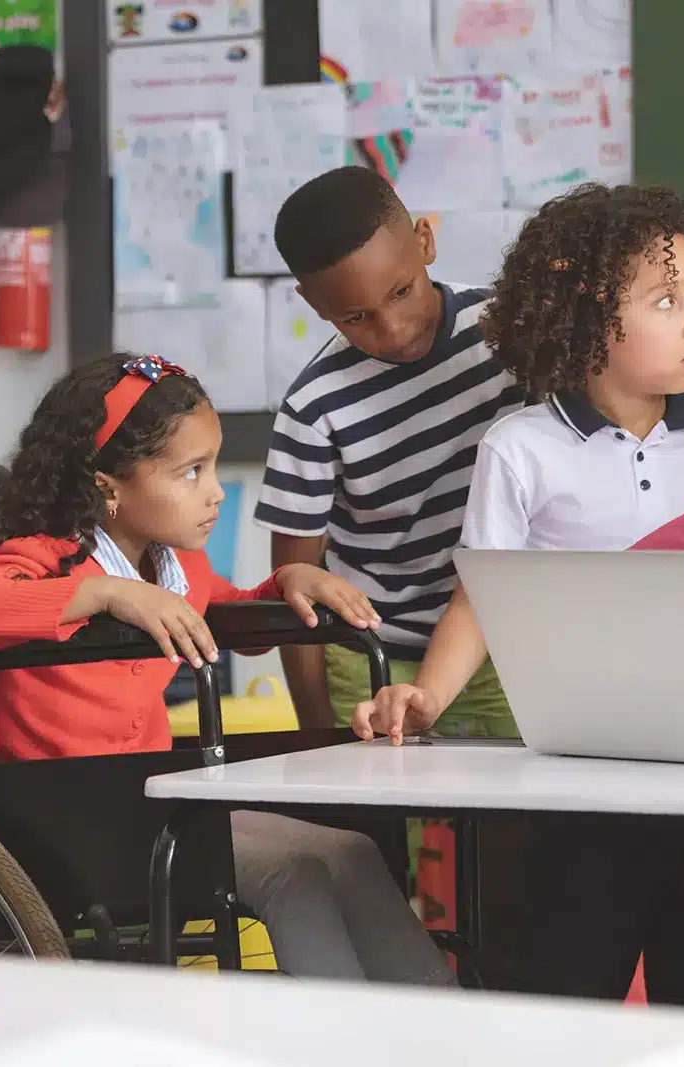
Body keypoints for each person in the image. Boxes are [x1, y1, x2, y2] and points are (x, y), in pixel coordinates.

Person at [353, 182, 684, 1006]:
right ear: (586, 314)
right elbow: (480, 595)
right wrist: (428, 695)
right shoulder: (521, 449)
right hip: (580, 779)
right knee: (567, 994)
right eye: (665, 299)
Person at [0, 355, 455, 987]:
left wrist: (287, 581)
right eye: (190, 472)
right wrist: (104, 596)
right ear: (108, 489)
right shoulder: (49, 558)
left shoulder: (172, 567)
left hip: (150, 801)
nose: (215, 491)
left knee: (351, 850)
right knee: (295, 873)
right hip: (53, 816)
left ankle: (435, 1026)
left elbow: (227, 614)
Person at [253, 166, 523, 734]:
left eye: (401, 292)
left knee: (513, 819)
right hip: (369, 659)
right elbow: (294, 588)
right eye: (356, 318)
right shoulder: (313, 407)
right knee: (385, 823)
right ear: (312, 302)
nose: (394, 329)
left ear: (425, 242)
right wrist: (315, 730)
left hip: (505, 646)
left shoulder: (513, 337)